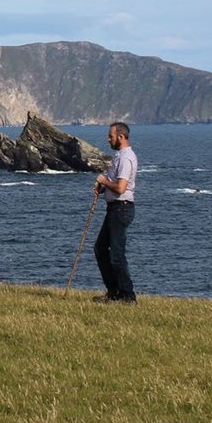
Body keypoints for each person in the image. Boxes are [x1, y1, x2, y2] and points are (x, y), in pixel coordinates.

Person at [92, 121, 138, 303]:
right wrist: (104, 188)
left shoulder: (126, 158)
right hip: (115, 208)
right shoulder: (120, 156)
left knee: (116, 254)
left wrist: (103, 181)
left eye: (110, 136)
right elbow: (115, 184)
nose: (108, 139)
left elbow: (120, 187)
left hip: (121, 208)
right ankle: (114, 291)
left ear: (120, 136)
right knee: (100, 249)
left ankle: (127, 295)